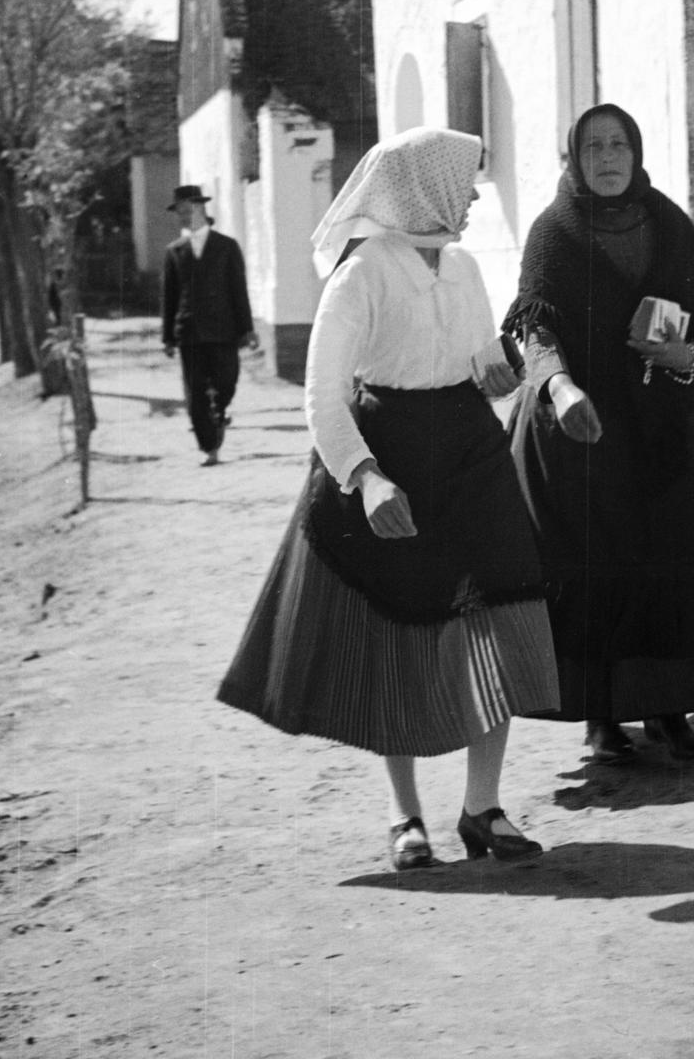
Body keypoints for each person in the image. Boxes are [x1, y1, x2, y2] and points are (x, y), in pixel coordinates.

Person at [218, 128, 559, 870]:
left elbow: (473, 362)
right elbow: (321, 392)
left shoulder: (464, 268)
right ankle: (406, 819)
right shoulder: (362, 273)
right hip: (390, 454)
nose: (470, 197)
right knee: (395, 632)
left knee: (499, 618)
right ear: (422, 189)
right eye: (461, 183)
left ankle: (482, 807)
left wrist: (497, 373)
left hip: (468, 455)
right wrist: (366, 478)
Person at [502, 103, 694, 765]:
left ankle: (669, 711)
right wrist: (559, 390)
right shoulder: (553, 234)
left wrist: (692, 357)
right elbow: (535, 331)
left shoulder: (666, 221)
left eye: (619, 144)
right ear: (574, 158)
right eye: (594, 147)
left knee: (671, 562)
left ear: (635, 151)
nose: (608, 157)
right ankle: (600, 718)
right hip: (583, 433)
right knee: (596, 569)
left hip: (666, 432)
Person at [161, 184, 259, 467]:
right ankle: (209, 446)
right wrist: (167, 337)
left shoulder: (226, 247)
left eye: (187, 210)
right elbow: (169, 297)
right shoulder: (174, 252)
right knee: (195, 394)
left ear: (201, 208)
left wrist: (247, 329)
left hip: (224, 330)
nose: (182, 216)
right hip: (189, 332)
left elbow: (238, 290)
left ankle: (220, 412)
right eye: (178, 212)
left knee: (226, 382)